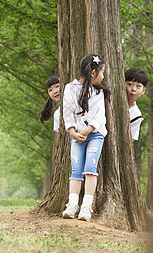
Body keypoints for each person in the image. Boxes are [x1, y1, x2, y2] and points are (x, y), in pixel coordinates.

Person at [62, 54, 109, 221]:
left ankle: (86, 206)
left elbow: (100, 116)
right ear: (94, 72)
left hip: (95, 134)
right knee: (76, 169)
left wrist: (88, 130)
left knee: (90, 167)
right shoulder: (70, 88)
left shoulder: (98, 92)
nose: (103, 76)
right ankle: (72, 204)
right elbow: (67, 112)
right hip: (77, 135)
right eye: (102, 72)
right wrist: (73, 132)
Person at [125, 68, 148, 141]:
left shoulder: (136, 115)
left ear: (143, 91)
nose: (133, 89)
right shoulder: (108, 100)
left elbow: (129, 140)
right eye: (130, 84)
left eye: (138, 86)